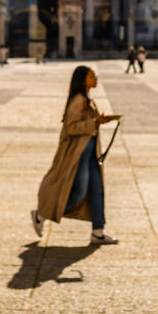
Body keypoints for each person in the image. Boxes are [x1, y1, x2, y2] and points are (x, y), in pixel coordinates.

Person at [31, 65, 121, 245]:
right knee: (79, 193)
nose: (95, 78)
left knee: (97, 190)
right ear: (82, 80)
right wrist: (95, 122)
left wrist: (99, 121)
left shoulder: (88, 99)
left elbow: (87, 123)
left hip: (91, 152)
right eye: (91, 76)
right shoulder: (79, 100)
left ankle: (98, 231)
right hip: (79, 154)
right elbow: (70, 127)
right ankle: (41, 215)